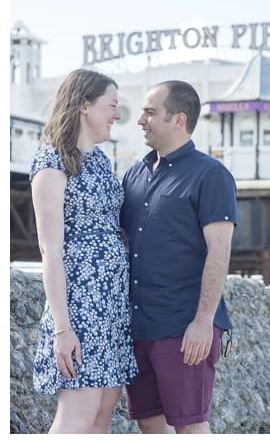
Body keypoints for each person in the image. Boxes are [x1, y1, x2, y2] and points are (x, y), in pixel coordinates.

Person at [120, 80, 237, 434]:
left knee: (191, 427)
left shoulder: (211, 175)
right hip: (138, 327)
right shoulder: (134, 174)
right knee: (149, 424)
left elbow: (219, 251)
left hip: (184, 326)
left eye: (150, 112)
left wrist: (203, 322)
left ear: (178, 119)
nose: (140, 119)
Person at [30, 68, 138, 433]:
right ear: (83, 106)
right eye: (111, 105)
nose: (117, 115)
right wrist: (63, 328)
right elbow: (51, 251)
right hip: (80, 305)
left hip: (112, 307)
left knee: (102, 417)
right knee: (78, 416)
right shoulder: (52, 162)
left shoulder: (102, 162)